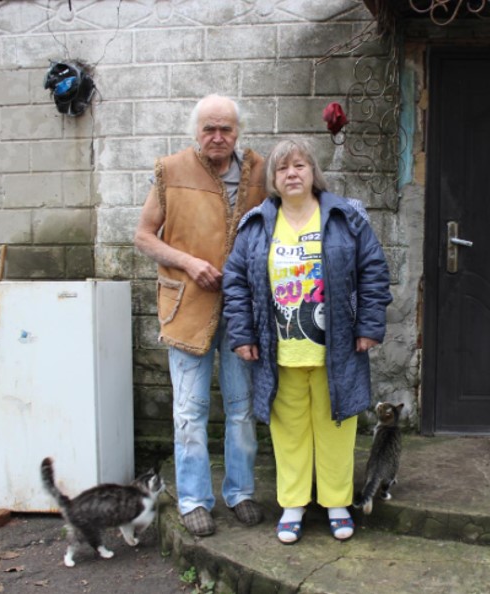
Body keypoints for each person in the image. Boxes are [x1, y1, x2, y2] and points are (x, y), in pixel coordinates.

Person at [223, 138, 392, 544]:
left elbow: (373, 270)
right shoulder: (256, 224)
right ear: (273, 179)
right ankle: (293, 505)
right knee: (289, 433)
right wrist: (243, 334)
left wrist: (369, 327)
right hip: (279, 351)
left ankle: (337, 503)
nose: (292, 174)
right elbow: (236, 282)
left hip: (338, 349)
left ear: (314, 172)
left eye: (299, 165)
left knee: (337, 429)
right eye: (282, 168)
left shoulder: (345, 217)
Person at [133, 94, 266, 537]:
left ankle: (240, 492)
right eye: (209, 128)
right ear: (196, 131)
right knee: (190, 411)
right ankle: (193, 500)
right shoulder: (170, 170)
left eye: (226, 129)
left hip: (242, 310)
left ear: (238, 131)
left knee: (242, 409)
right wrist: (190, 263)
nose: (218, 137)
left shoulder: (260, 172)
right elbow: (143, 236)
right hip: (187, 306)